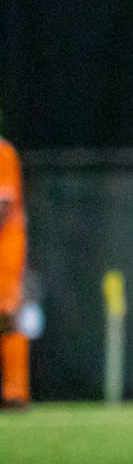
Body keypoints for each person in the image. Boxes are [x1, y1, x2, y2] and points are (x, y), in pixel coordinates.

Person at [0, 119, 29, 409]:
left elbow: (3, 205)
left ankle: (15, 393)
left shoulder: (3, 152)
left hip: (4, 249)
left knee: (7, 318)